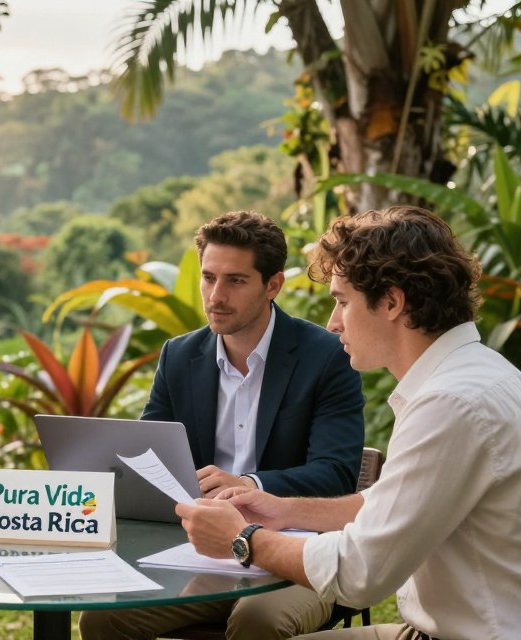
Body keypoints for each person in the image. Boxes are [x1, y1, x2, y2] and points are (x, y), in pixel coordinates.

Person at [177, 206, 521, 639]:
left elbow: (361, 575)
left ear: (392, 302)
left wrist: (243, 537)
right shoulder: (481, 374)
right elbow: (395, 504)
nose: (332, 322)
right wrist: (284, 510)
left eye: (342, 301)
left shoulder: (451, 402)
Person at [81, 211, 365, 640]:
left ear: (273, 285)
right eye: (208, 277)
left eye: (235, 280)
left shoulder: (326, 357)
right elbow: (149, 457)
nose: (216, 295)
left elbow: (336, 474)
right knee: (103, 618)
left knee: (257, 619)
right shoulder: (179, 356)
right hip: (204, 555)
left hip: (299, 553)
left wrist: (251, 484)